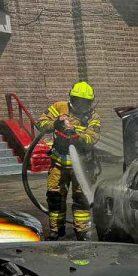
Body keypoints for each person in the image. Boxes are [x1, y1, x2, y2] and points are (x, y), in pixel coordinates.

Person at [36, 81, 101, 241]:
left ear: (90, 102)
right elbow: (40, 123)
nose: (80, 105)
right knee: (55, 198)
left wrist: (78, 138)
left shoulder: (93, 117)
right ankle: (56, 231)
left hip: (83, 166)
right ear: (71, 98)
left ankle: (82, 231)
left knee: (81, 199)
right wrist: (56, 123)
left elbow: (93, 137)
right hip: (59, 164)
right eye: (78, 100)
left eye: (85, 102)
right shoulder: (59, 107)